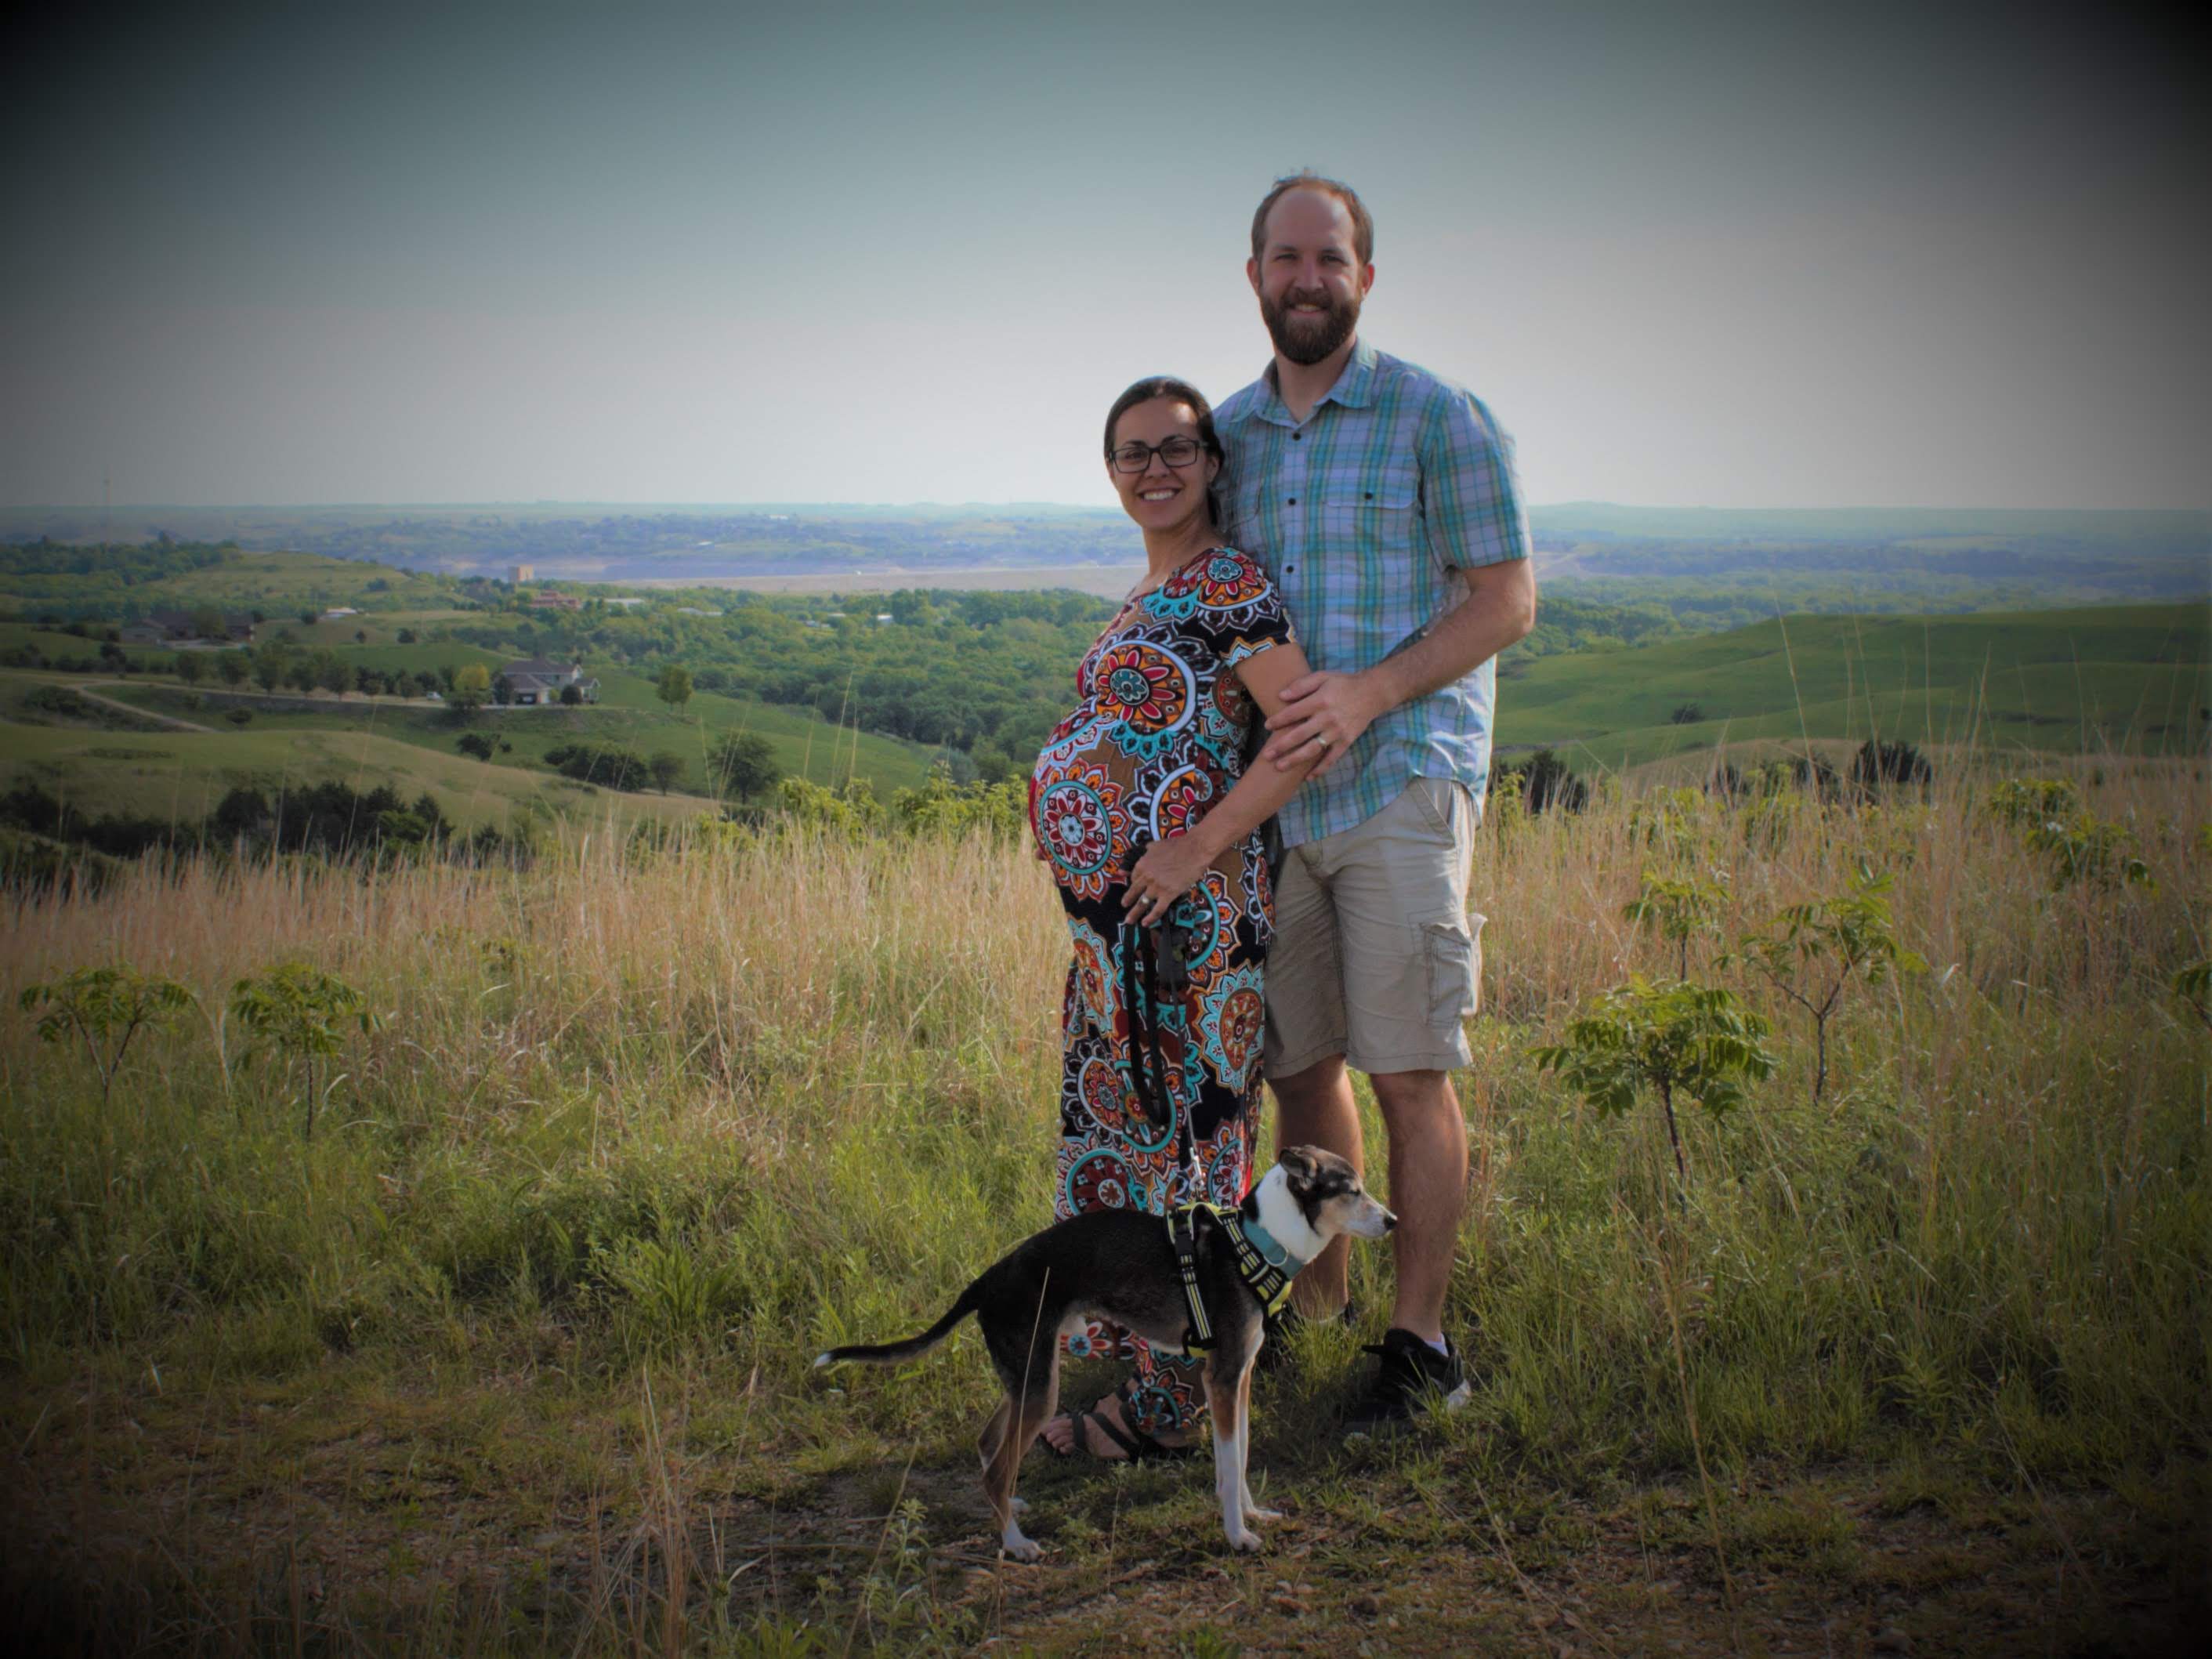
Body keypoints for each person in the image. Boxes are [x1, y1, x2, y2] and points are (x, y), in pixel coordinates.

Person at [1211, 172, 1538, 1435]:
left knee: (1407, 1071)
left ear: (1365, 275)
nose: (1308, 276)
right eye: (1286, 257)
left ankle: (1419, 1345)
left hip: (1402, 780)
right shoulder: (1228, 432)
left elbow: (1506, 598)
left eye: (1330, 258)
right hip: (1276, 809)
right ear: (1254, 276)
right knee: (1299, 1070)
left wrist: (1370, 693)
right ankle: (1321, 1308)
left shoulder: (1434, 416)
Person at [1028, 376, 1325, 1461]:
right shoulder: (1151, 588)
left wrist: (1199, 843)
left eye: (1177, 449)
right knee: (1126, 1143)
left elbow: (1302, 732)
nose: (1155, 467)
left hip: (1196, 927)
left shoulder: (1230, 581)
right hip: (1121, 941)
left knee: (1189, 1154)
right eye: (1132, 452)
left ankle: (1168, 1411)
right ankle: (1147, 1359)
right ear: (1110, 473)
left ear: (1212, 463)